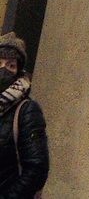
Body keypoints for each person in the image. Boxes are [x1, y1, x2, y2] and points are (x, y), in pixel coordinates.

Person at [0, 33, 47, 199]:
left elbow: (37, 168)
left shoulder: (27, 111)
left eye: (11, 65)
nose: (3, 70)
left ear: (18, 71)